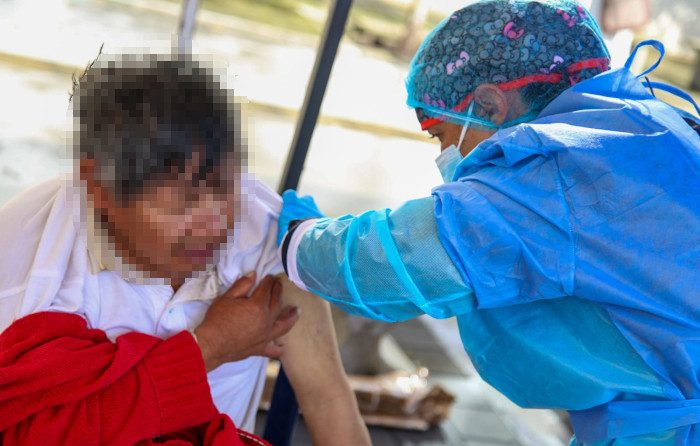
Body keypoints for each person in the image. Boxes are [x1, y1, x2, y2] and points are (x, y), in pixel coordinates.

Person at [277, 0, 700, 444]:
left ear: (489, 104)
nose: (443, 156)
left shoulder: (551, 172)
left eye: (440, 135)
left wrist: (295, 240)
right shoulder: (652, 126)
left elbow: (396, 259)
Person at [0, 50, 370, 445]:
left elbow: (327, 400)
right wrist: (212, 346)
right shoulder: (29, 258)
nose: (216, 224)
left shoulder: (270, 240)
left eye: (228, 188)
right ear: (98, 187)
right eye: (183, 203)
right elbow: (41, 431)